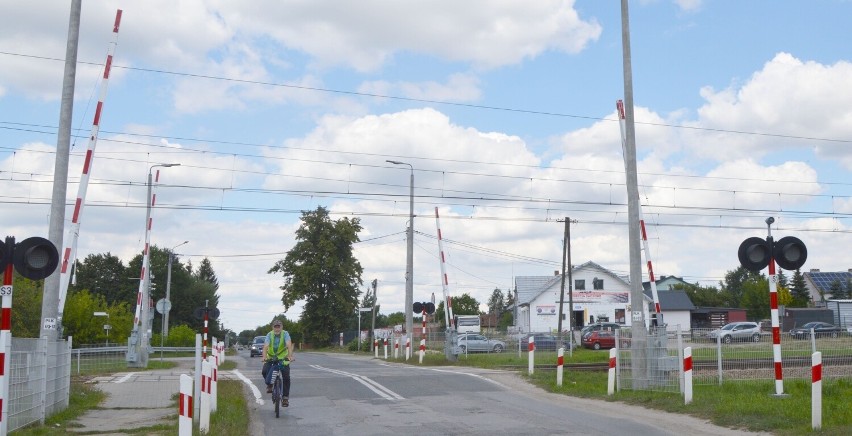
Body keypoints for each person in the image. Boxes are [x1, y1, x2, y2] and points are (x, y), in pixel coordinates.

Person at [261, 319, 294, 406]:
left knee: (286, 376)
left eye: (278, 327)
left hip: (283, 358)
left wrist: (290, 356)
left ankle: (285, 398)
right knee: (264, 371)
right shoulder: (269, 334)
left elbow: (289, 345)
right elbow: (265, 347)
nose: (277, 329)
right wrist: (264, 357)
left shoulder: (285, 334)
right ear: (273, 327)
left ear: (281, 327)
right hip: (271, 358)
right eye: (275, 327)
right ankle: (270, 385)